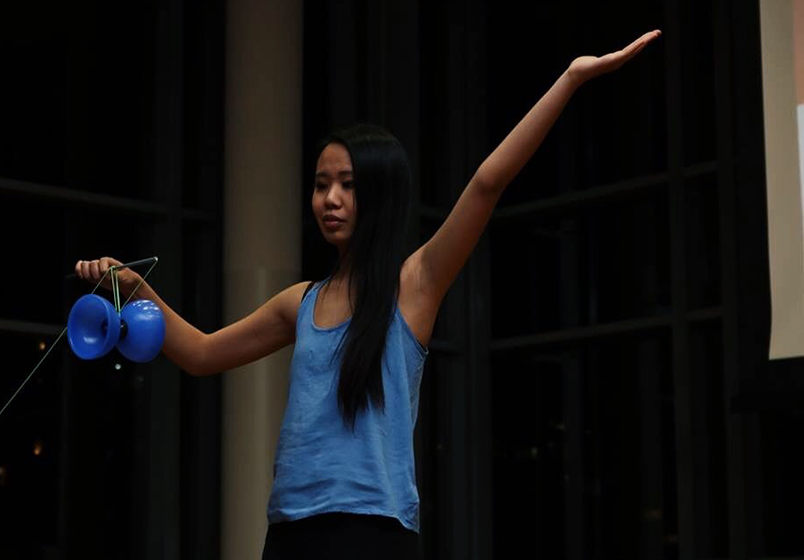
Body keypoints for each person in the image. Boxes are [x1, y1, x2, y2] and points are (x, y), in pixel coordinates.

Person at [75, 29, 661, 560]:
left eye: (348, 186)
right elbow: (201, 354)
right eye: (321, 184)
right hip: (291, 533)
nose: (329, 199)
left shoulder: (416, 284)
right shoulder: (298, 302)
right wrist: (136, 287)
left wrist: (572, 77)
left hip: (374, 534)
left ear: (378, 196)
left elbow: (486, 183)